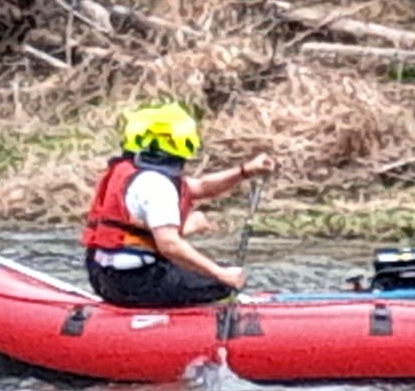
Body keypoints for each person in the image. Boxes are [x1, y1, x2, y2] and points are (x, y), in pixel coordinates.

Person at [80, 102, 273, 309]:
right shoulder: (157, 185)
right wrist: (221, 274)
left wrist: (245, 171)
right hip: (134, 282)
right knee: (223, 281)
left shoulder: (131, 172)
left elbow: (201, 187)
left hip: (101, 276)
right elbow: (169, 245)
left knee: (203, 272)